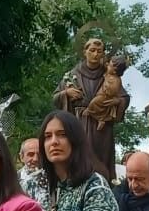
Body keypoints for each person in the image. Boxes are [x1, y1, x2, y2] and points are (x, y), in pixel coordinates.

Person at [52, 36, 128, 180]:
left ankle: (103, 185)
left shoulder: (108, 74)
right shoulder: (73, 75)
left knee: (101, 163)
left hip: (101, 129)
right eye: (92, 50)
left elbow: (124, 98)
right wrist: (66, 93)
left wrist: (116, 102)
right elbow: (55, 98)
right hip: (79, 123)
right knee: (78, 158)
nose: (95, 54)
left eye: (99, 51)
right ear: (84, 52)